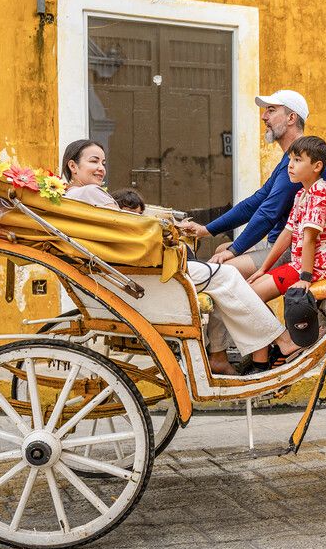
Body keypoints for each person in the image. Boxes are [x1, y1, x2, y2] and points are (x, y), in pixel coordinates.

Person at [60, 139, 301, 376]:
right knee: (227, 275)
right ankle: (281, 340)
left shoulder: (71, 197)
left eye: (103, 162)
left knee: (221, 276)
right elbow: (130, 228)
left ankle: (223, 354)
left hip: (124, 274)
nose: (101, 168)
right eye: (94, 161)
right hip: (145, 275)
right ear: (73, 166)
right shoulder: (90, 192)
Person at [181, 90, 326, 278]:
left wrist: (235, 250)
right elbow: (256, 202)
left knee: (224, 270)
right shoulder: (289, 160)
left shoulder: (303, 163)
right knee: (222, 250)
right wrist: (206, 230)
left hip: (295, 250)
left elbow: (269, 212)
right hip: (278, 241)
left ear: (291, 118)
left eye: (271, 110)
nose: (264, 117)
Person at [248, 135, 326, 306]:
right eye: (290, 159)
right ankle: (278, 333)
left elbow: (310, 239)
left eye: (298, 160)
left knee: (252, 297)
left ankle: (281, 334)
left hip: (317, 269)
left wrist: (305, 278)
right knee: (250, 290)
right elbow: (287, 233)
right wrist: (263, 269)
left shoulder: (319, 193)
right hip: (299, 265)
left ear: (317, 166)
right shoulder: (301, 194)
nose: (290, 165)